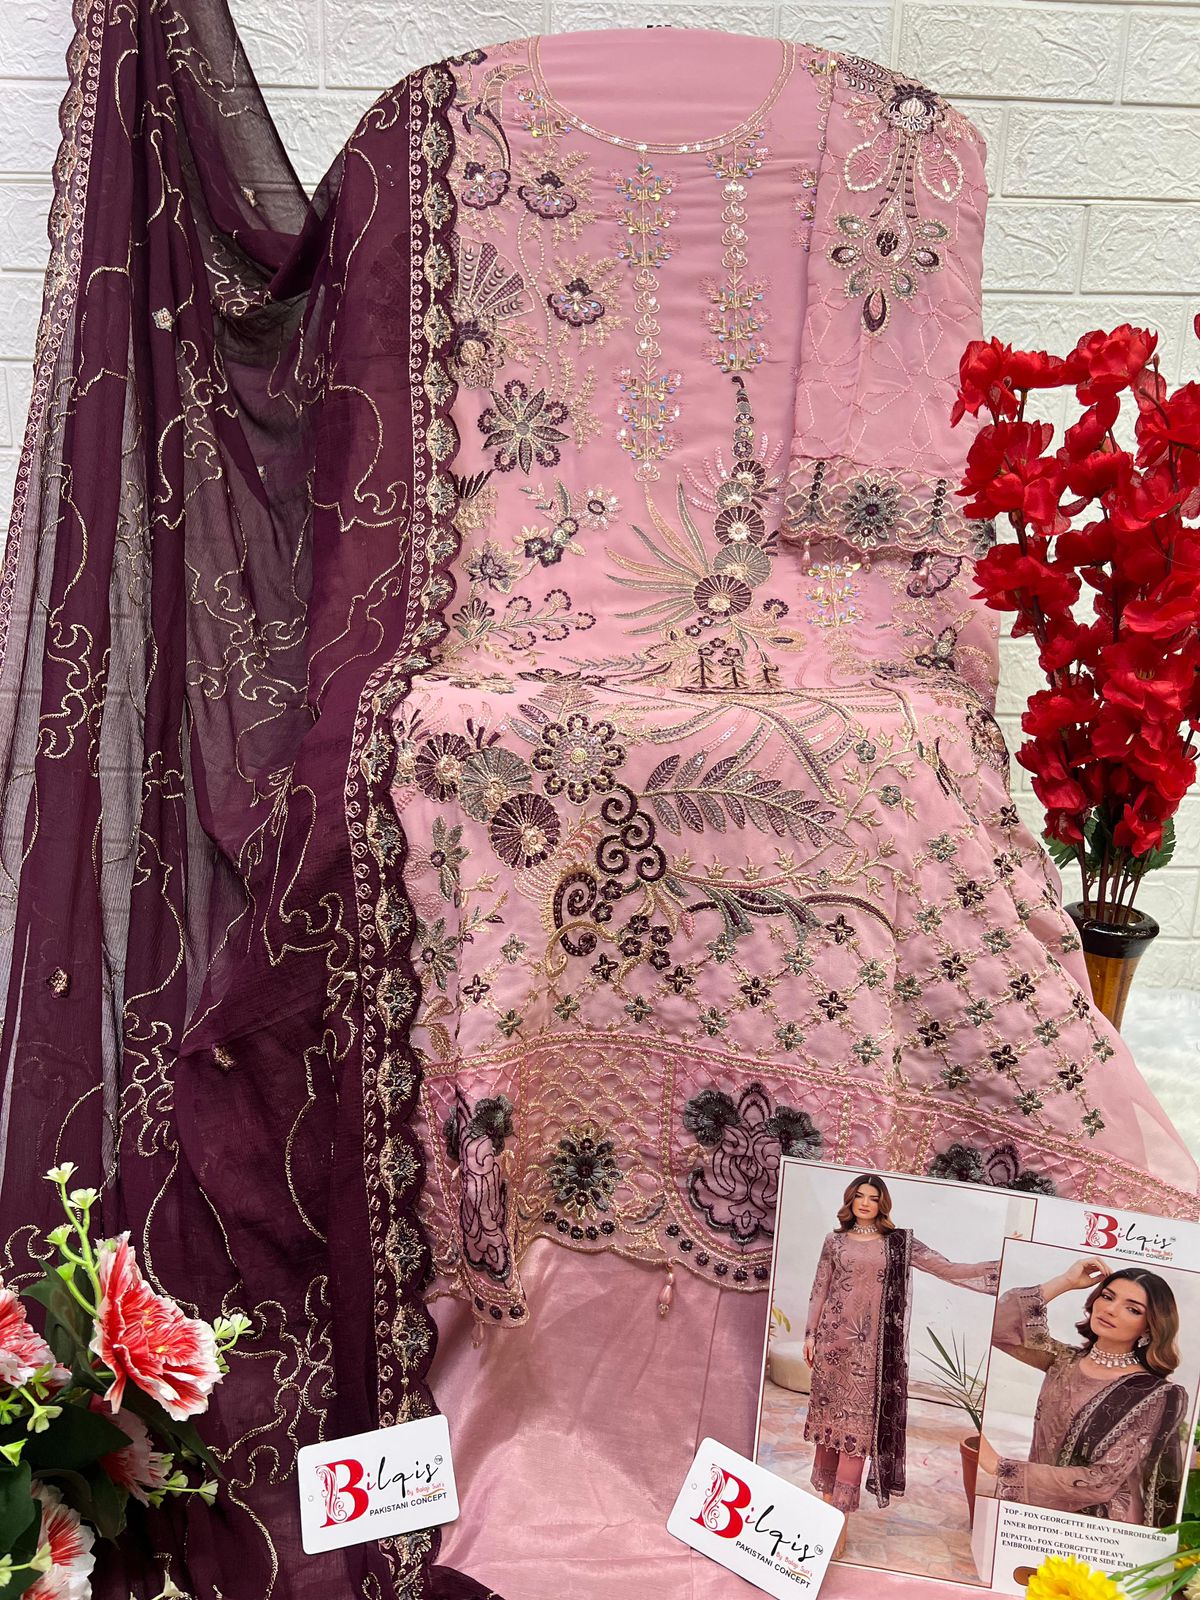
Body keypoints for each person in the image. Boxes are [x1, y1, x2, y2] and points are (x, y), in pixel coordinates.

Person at [803, 1174, 1000, 1554]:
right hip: (832, 1349)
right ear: (850, 1200)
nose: (865, 1203)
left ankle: (838, 1528)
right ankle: (822, 1520)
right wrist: (811, 1335)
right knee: (828, 1434)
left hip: (873, 1356)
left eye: (873, 1197)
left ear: (882, 1204)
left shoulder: (897, 1243)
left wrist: (1000, 1266)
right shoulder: (834, 1241)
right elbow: (819, 1288)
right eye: (859, 1196)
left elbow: (947, 1268)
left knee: (855, 1438)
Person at [978, 1259, 1187, 1528]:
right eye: (1107, 1296)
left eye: (1132, 1309)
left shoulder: (1151, 1394)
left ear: (1149, 1326)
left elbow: (1101, 1481)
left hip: (1098, 1526)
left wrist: (998, 1465)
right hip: (1039, 1507)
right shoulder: (1063, 1360)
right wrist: (1065, 1281)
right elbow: (997, 1328)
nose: (1110, 1310)